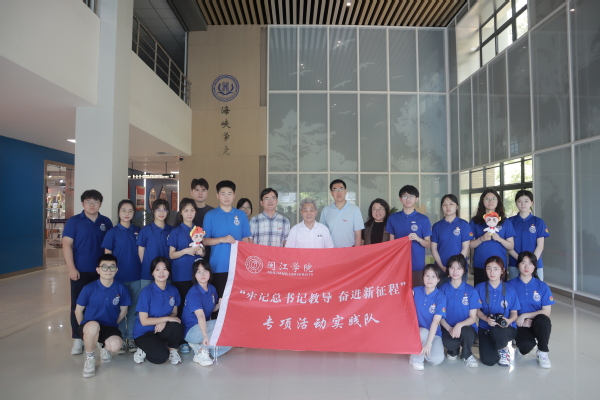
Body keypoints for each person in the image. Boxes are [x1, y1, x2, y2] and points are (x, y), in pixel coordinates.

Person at [63, 189, 113, 356]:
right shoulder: (74, 221)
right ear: (82, 203)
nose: (92, 205)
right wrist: (71, 268)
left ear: (100, 204)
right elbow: (67, 245)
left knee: (100, 304)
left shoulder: (106, 222)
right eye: (89, 202)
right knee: (78, 305)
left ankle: (98, 337)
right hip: (80, 271)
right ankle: (78, 337)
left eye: (95, 201)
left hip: (102, 273)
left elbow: (110, 247)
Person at [74, 254, 131, 378]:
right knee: (93, 326)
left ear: (116, 270)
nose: (108, 270)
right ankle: (90, 358)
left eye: (112, 267)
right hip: (90, 325)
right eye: (104, 267)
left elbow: (124, 311)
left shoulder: (121, 289)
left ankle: (102, 346)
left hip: (109, 326)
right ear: (98, 270)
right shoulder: (88, 288)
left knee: (116, 345)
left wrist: (114, 323)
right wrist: (83, 328)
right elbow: (78, 311)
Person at [101, 199, 142, 354]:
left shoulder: (138, 231)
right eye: (123, 210)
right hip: (117, 279)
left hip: (136, 277)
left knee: (133, 310)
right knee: (117, 310)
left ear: (133, 213)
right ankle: (119, 336)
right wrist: (108, 276)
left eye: (130, 211)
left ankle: (130, 338)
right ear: (118, 212)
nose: (127, 213)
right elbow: (107, 257)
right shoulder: (112, 232)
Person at [203, 180, 251, 299]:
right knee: (219, 300)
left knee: (237, 300)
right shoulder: (210, 215)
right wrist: (222, 239)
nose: (226, 197)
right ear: (217, 195)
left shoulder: (241, 215)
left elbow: (245, 240)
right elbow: (205, 241)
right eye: (223, 193)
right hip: (218, 266)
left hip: (238, 267)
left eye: (229, 193)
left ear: (234, 195)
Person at [132, 257, 184, 365]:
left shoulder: (173, 290)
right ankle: (143, 349)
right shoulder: (146, 292)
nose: (161, 273)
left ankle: (172, 350)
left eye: (165, 269)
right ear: (152, 273)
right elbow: (144, 321)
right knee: (161, 358)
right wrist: (166, 319)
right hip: (144, 333)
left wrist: (164, 321)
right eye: (157, 269)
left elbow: (174, 313)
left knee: (177, 324)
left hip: (160, 330)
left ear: (169, 272)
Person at [506, 252, 554, 368]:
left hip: (536, 321)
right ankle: (523, 344)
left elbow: (546, 311)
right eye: (523, 263)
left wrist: (525, 315)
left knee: (543, 320)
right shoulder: (509, 285)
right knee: (525, 346)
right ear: (518, 265)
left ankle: (542, 352)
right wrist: (519, 319)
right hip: (519, 323)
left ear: (534, 266)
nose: (526, 266)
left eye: (530, 263)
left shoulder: (542, 286)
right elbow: (506, 310)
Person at [182, 260, 232, 366]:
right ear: (194, 275)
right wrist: (205, 336)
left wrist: (219, 305)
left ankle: (204, 347)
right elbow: (201, 315)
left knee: (231, 340)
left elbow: (211, 309)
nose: (202, 274)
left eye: (205, 271)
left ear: (209, 272)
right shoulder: (193, 293)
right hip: (192, 331)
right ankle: (201, 351)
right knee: (224, 325)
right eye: (198, 272)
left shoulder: (212, 289)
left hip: (204, 326)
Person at [475, 256, 521, 367]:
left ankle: (504, 349)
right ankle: (496, 346)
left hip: (506, 329)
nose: (492, 272)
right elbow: (476, 310)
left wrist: (508, 321)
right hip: (485, 328)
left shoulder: (510, 290)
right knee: (489, 361)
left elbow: (514, 313)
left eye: (496, 269)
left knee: (497, 331)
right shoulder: (479, 288)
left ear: (502, 271)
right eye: (489, 268)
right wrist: (486, 319)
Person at [385, 185, 432, 287]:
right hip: (398, 264)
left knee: (417, 292)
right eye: (405, 196)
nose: (408, 199)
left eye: (411, 196)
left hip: (417, 265)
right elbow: (391, 243)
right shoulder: (393, 218)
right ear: (400, 199)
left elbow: (428, 244)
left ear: (416, 199)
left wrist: (418, 239)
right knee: (399, 292)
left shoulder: (423, 219)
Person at [439, 255, 480, 368]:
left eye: (459, 268)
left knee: (466, 333)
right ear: (448, 269)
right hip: (447, 327)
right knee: (450, 343)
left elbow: (473, 318)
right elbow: (440, 316)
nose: (455, 271)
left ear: (464, 270)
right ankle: (453, 350)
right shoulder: (442, 289)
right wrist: (449, 328)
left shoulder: (471, 291)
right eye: (452, 267)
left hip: (467, 328)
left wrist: (459, 325)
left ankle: (467, 354)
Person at [168, 198, 205, 317]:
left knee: (196, 305)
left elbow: (203, 252)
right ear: (181, 213)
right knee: (182, 306)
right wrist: (185, 251)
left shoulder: (198, 230)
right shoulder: (176, 231)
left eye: (192, 210)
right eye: (186, 210)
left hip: (197, 274)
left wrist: (201, 252)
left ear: (195, 212)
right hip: (181, 275)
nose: (189, 213)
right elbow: (171, 255)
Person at [469, 189, 515, 286]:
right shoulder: (475, 221)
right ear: (482, 201)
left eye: (494, 199)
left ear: (498, 201)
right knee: (480, 292)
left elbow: (511, 246)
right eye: (487, 199)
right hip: (480, 264)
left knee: (500, 293)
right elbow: (469, 245)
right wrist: (481, 239)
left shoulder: (505, 222)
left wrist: (499, 239)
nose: (490, 201)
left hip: (499, 265)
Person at [409, 264, 446, 370]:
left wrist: (429, 343)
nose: (430, 279)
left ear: (438, 279)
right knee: (423, 332)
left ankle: (419, 350)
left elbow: (435, 322)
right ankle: (416, 359)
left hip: (434, 334)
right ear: (423, 277)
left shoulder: (441, 297)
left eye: (433, 276)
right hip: (418, 331)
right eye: (427, 276)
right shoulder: (415, 291)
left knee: (437, 359)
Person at [508, 190, 550, 280]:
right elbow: (508, 246)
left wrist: (531, 262)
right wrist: (521, 261)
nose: (523, 204)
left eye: (526, 201)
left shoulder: (538, 222)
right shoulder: (510, 222)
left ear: (532, 203)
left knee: (536, 288)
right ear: (516, 203)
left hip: (535, 263)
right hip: (515, 263)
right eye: (520, 201)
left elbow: (540, 246)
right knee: (515, 288)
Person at [431, 194, 472, 284]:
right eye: (444, 204)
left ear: (457, 206)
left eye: (451, 204)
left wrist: (456, 268)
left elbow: (465, 248)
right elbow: (433, 248)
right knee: (441, 292)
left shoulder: (464, 225)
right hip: (441, 268)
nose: (448, 207)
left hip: (459, 270)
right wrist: (442, 267)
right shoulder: (437, 226)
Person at [137, 198, 173, 290]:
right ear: (153, 211)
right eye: (158, 209)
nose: (161, 213)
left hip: (166, 272)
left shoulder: (172, 230)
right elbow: (141, 252)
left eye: (164, 210)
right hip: (148, 273)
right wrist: (145, 267)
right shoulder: (145, 230)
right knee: (146, 296)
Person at [320, 179, 364, 248]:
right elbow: (322, 233)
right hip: (331, 249)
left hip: (349, 249)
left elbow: (358, 234)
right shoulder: (326, 210)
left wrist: (356, 251)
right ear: (331, 192)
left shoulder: (355, 209)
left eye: (341, 189)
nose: (339, 192)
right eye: (335, 190)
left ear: (346, 191)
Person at [190, 178, 214, 261]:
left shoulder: (213, 212)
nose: (200, 193)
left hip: (209, 255)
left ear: (207, 193)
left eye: (203, 190)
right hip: (189, 254)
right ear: (192, 192)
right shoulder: (185, 212)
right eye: (197, 190)